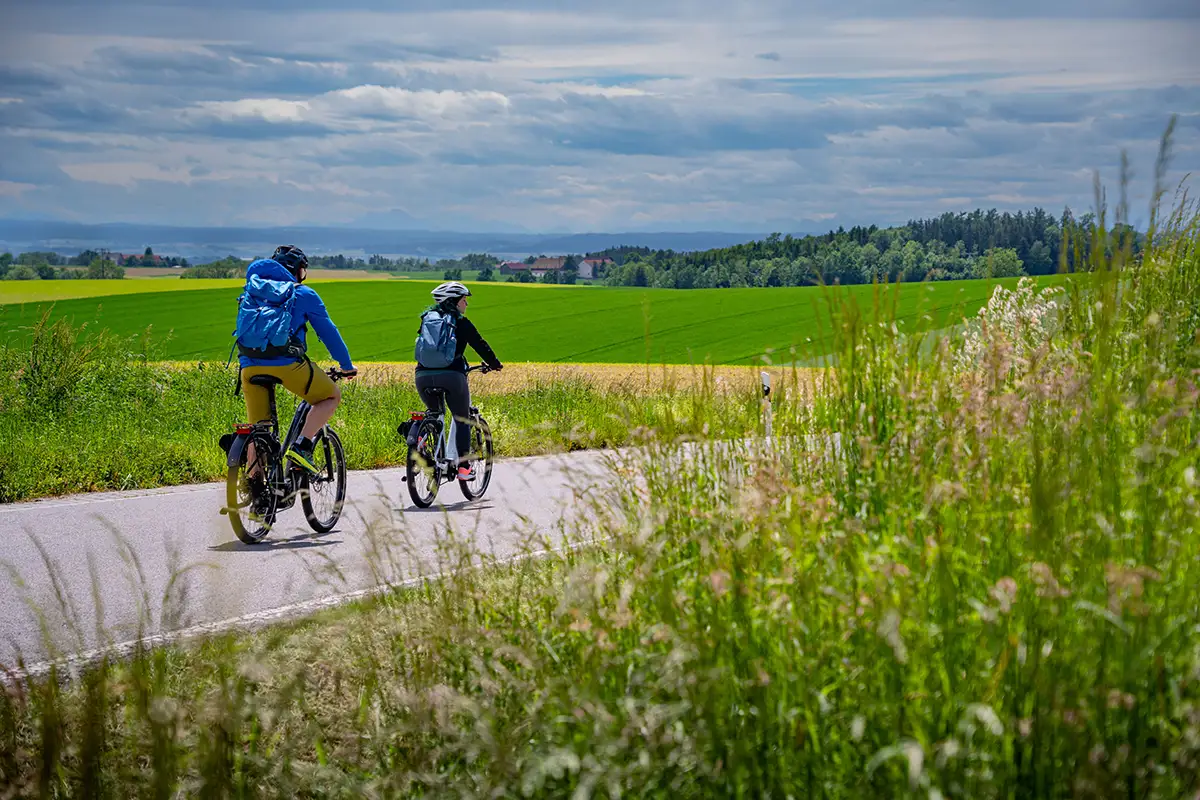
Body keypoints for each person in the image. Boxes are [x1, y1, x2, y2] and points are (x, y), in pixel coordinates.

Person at [237, 245, 357, 474]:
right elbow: (328, 332)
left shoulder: (251, 291)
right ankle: (302, 447)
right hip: (287, 365)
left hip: (249, 366)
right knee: (330, 396)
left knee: (259, 428)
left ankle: (254, 484)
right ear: (298, 270)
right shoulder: (302, 293)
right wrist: (346, 366)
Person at [415, 281, 503, 479]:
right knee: (461, 418)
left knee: (435, 414)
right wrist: (495, 363)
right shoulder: (461, 323)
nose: (466, 305)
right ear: (454, 302)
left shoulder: (427, 319)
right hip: (452, 376)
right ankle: (464, 468)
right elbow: (480, 344)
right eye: (464, 300)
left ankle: (422, 439)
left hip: (422, 376)